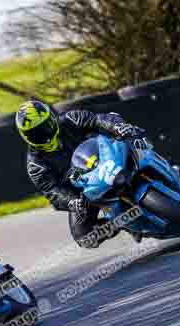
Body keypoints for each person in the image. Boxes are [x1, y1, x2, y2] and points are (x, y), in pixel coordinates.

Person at [16, 100, 150, 248]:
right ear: (25, 137)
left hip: (110, 157)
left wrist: (117, 127)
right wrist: (71, 201)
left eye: (45, 127)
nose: (44, 134)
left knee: (134, 139)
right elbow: (52, 191)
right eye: (35, 133)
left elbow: (98, 120)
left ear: (52, 118)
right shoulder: (35, 164)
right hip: (86, 191)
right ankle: (124, 223)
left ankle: (157, 169)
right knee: (85, 238)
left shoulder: (71, 119)